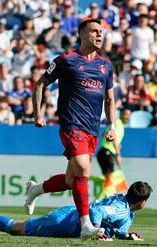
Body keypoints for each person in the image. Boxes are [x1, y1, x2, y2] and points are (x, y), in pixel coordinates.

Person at [27, 19, 116, 239]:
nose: (99, 35)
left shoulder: (106, 66)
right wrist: (38, 114)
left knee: (71, 180)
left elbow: (110, 98)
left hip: (92, 130)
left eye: (101, 32)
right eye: (94, 31)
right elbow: (40, 84)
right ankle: (85, 225)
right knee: (84, 170)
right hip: (72, 125)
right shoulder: (66, 61)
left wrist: (112, 125)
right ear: (82, 35)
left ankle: (36, 189)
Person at [0, 181, 152, 241]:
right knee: (16, 228)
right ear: (142, 202)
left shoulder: (125, 205)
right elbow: (97, 212)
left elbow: (112, 224)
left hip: (72, 218)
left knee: (18, 227)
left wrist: (125, 235)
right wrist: (94, 229)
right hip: (65, 221)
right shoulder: (120, 209)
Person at [97, 108, 131, 179]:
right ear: (121, 114)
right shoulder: (118, 123)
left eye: (129, 115)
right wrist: (118, 154)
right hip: (106, 153)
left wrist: (118, 145)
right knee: (110, 179)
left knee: (108, 179)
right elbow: (114, 138)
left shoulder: (116, 123)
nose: (127, 117)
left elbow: (104, 134)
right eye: (125, 114)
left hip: (104, 153)